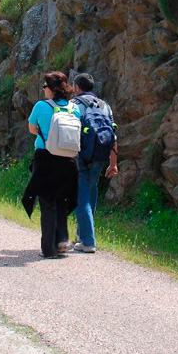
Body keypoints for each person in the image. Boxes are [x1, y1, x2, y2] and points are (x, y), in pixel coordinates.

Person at [24, 71, 80, 259]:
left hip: (46, 157)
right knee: (62, 200)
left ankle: (48, 249)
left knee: (47, 202)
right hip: (70, 160)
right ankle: (62, 240)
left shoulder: (41, 106)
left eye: (45, 86)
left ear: (53, 88)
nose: (44, 89)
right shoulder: (74, 108)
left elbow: (32, 129)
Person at [70, 73, 118, 253]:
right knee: (91, 193)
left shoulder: (74, 105)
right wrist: (113, 163)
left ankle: (88, 241)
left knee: (81, 198)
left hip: (81, 156)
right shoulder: (105, 106)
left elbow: (67, 132)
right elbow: (113, 135)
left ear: (77, 88)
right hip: (100, 155)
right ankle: (82, 236)